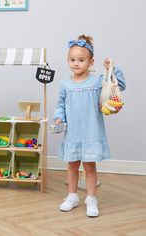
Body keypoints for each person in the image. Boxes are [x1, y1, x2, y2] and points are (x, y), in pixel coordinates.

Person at [53, 35, 126, 217]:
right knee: (71, 165)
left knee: (90, 167)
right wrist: (59, 117)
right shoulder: (65, 84)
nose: (76, 63)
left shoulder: (96, 81)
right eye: (72, 60)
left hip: (91, 133)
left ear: (91, 61)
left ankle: (91, 198)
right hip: (73, 133)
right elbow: (60, 104)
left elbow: (120, 85)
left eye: (81, 60)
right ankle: (72, 196)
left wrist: (112, 69)